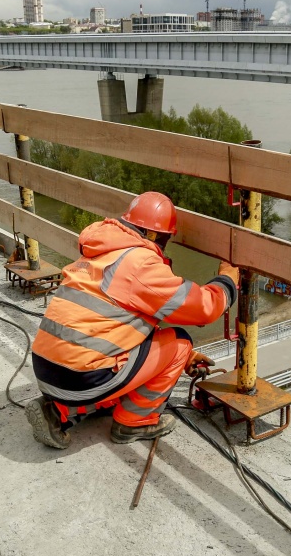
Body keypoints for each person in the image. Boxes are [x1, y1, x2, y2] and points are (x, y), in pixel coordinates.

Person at [26, 191, 240, 448]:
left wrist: (189, 359)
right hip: (82, 377)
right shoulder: (140, 265)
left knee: (119, 368)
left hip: (47, 369)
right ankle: (134, 422)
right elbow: (206, 307)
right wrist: (227, 278)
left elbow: (127, 321)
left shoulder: (101, 252)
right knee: (180, 341)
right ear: (157, 236)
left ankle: (58, 412)